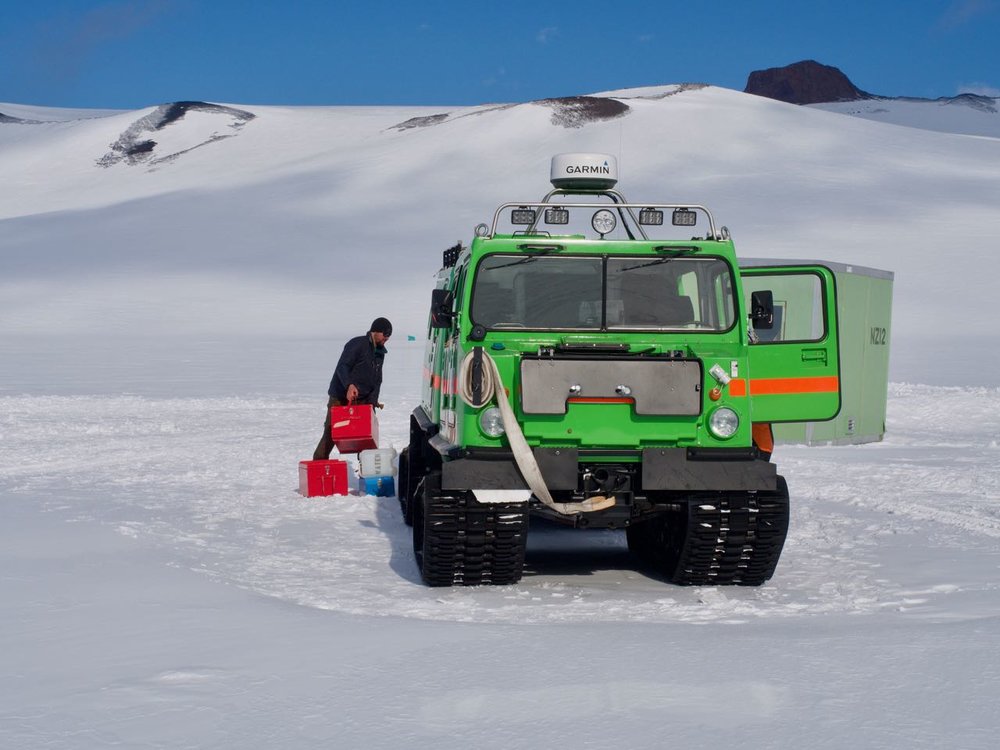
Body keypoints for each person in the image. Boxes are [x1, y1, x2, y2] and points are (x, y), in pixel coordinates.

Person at [313, 317, 392, 461]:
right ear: (376, 331)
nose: (387, 338)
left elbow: (377, 379)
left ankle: (368, 472)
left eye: (389, 336)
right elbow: (343, 366)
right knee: (332, 432)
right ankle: (319, 465)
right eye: (385, 334)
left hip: (362, 398)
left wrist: (372, 401)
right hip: (340, 395)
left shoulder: (380, 352)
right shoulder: (357, 344)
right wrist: (349, 385)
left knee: (366, 435)